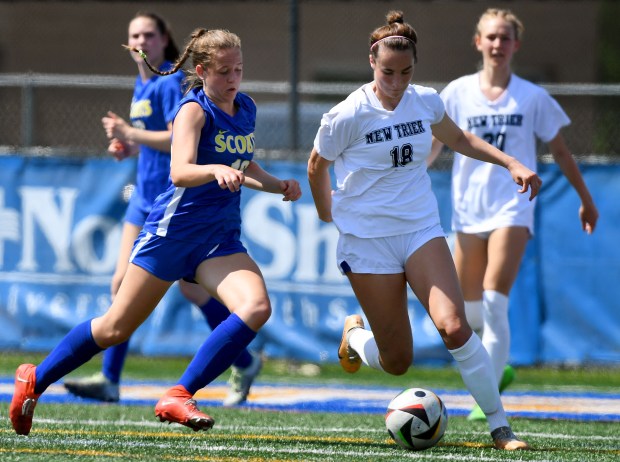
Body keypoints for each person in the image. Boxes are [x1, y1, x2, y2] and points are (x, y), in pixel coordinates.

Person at [10, 27, 301, 436]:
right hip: (172, 234)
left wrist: (277, 184)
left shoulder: (245, 107)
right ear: (201, 71)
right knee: (115, 328)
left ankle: (180, 394)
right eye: (224, 71)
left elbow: (242, 163)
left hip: (218, 240)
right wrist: (214, 169)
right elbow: (180, 171)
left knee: (255, 308)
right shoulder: (193, 110)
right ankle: (35, 379)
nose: (234, 78)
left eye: (239, 69)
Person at [307, 10, 538, 451]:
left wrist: (511, 162)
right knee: (397, 361)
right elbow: (317, 165)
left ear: (416, 66)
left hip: (419, 228)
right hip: (367, 240)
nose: (396, 82)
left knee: (453, 327)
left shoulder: (426, 100)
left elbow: (460, 139)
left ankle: (500, 426)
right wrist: (325, 211)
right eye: (388, 72)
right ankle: (355, 336)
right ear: (371, 62)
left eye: (406, 72)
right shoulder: (347, 115)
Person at [63, 12, 262, 408]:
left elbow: (180, 140)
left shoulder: (175, 83)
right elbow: (172, 143)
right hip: (145, 197)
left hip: (170, 198)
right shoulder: (144, 84)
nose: (142, 40)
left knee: (190, 290)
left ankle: (238, 359)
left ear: (164, 39)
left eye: (149, 34)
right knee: (126, 286)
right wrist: (131, 147)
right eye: (135, 33)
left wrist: (131, 134)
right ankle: (112, 379)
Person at [428, 8, 599, 421]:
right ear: (477, 42)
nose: (497, 45)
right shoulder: (456, 92)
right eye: (491, 37)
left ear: (515, 45)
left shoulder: (532, 96)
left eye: (505, 38)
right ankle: (496, 368)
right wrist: (409, 176)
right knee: (465, 313)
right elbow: (436, 145)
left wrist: (586, 198)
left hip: (513, 207)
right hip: (468, 210)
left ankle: (488, 402)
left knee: (492, 302)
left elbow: (559, 150)